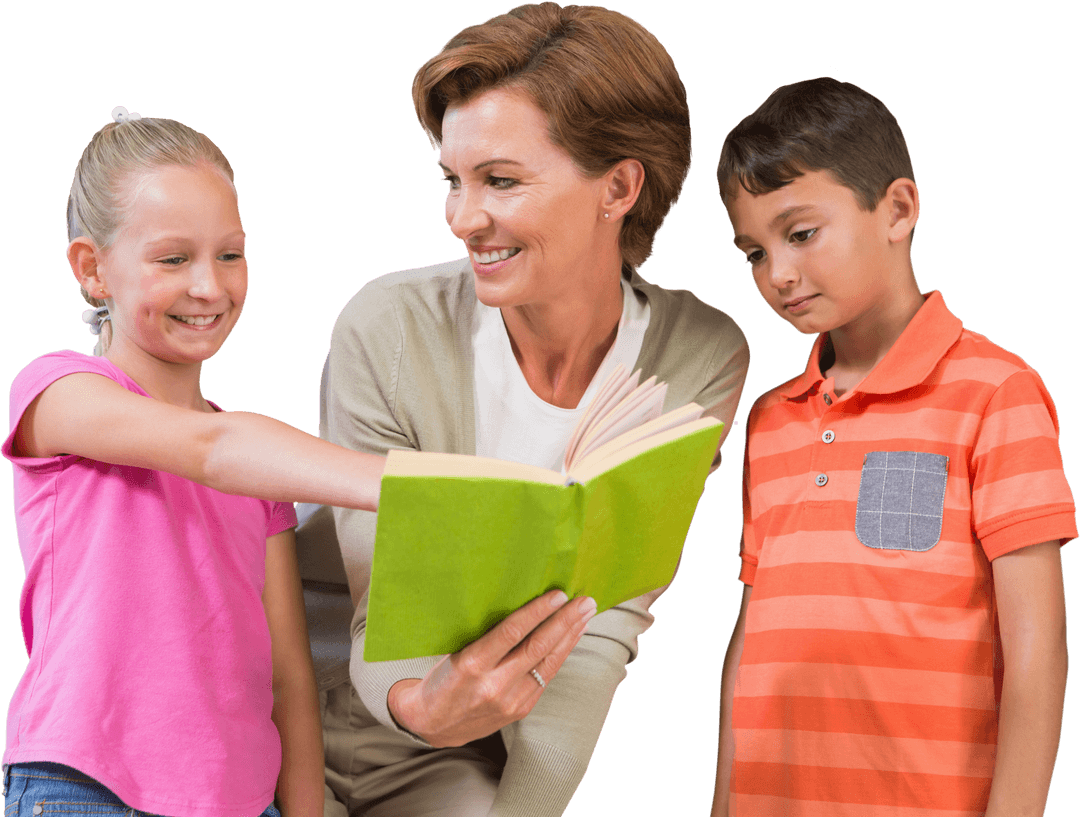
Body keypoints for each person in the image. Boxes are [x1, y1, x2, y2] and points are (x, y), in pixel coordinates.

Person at [0, 107, 582, 817]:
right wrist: (424, 488)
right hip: (87, 789)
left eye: (230, 254)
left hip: (243, 803)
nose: (209, 287)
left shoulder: (259, 475)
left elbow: (289, 678)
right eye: (173, 258)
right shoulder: (54, 393)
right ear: (93, 270)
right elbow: (210, 450)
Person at [297, 3, 749, 815]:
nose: (464, 218)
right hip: (289, 711)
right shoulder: (389, 325)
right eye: (452, 180)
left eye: (500, 180)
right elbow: (379, 609)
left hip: (455, 759)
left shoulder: (700, 356)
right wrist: (421, 707)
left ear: (619, 186)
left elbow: (602, 624)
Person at [710, 77, 1074, 816]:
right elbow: (755, 640)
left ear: (898, 210)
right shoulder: (771, 420)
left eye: (800, 233)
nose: (776, 273)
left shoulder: (996, 392)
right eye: (753, 251)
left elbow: (1037, 650)